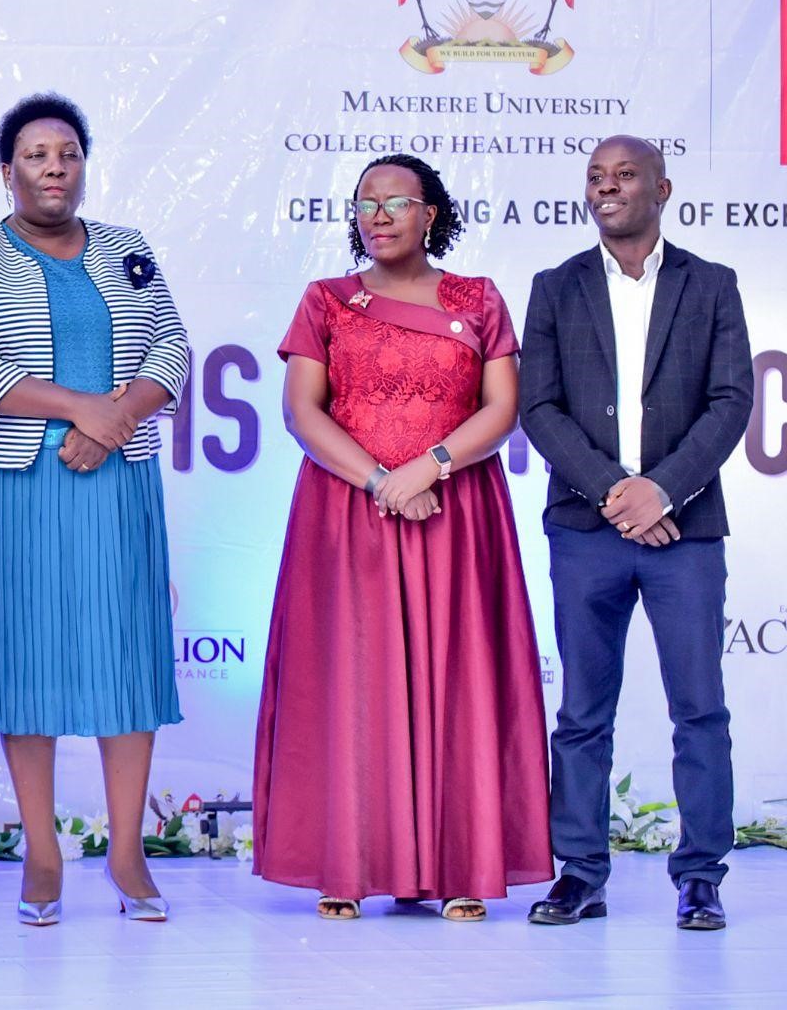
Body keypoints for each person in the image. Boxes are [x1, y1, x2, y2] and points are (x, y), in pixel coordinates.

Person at [254, 153, 551, 921]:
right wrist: (383, 480)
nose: (378, 214)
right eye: (365, 202)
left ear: (432, 214)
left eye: (397, 201)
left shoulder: (478, 299)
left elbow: (502, 407)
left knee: (460, 678)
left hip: (456, 513)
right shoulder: (326, 301)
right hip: (349, 514)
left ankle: (461, 861)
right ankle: (349, 861)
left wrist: (431, 466)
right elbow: (302, 413)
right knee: (354, 680)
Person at [0, 92, 190, 927]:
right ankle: (41, 853)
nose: (54, 166)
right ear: (7, 171)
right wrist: (84, 408)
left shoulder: (127, 249)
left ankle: (126, 851)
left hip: (115, 477)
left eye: (68, 152)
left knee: (126, 655)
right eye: (37, 154)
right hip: (16, 485)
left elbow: (172, 347)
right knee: (28, 656)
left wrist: (112, 424)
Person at [519, 137, 752, 932]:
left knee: (700, 710)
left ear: (662, 187)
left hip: (685, 530)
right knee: (583, 711)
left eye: (623, 176)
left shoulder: (712, 284)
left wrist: (662, 490)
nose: (606, 187)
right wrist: (620, 495)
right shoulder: (555, 287)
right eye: (595, 177)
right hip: (587, 530)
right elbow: (538, 408)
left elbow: (731, 400)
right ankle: (580, 873)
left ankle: (701, 876)